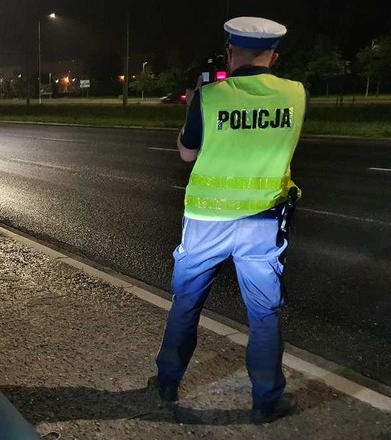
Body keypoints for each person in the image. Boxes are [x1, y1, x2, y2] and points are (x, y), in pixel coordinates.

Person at [151, 16, 307, 425]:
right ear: (274, 55)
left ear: (230, 52)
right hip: (262, 222)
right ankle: (266, 401)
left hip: (206, 221)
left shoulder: (210, 96)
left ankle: (167, 382)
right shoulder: (296, 94)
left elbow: (187, 154)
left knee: (186, 303)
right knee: (263, 314)